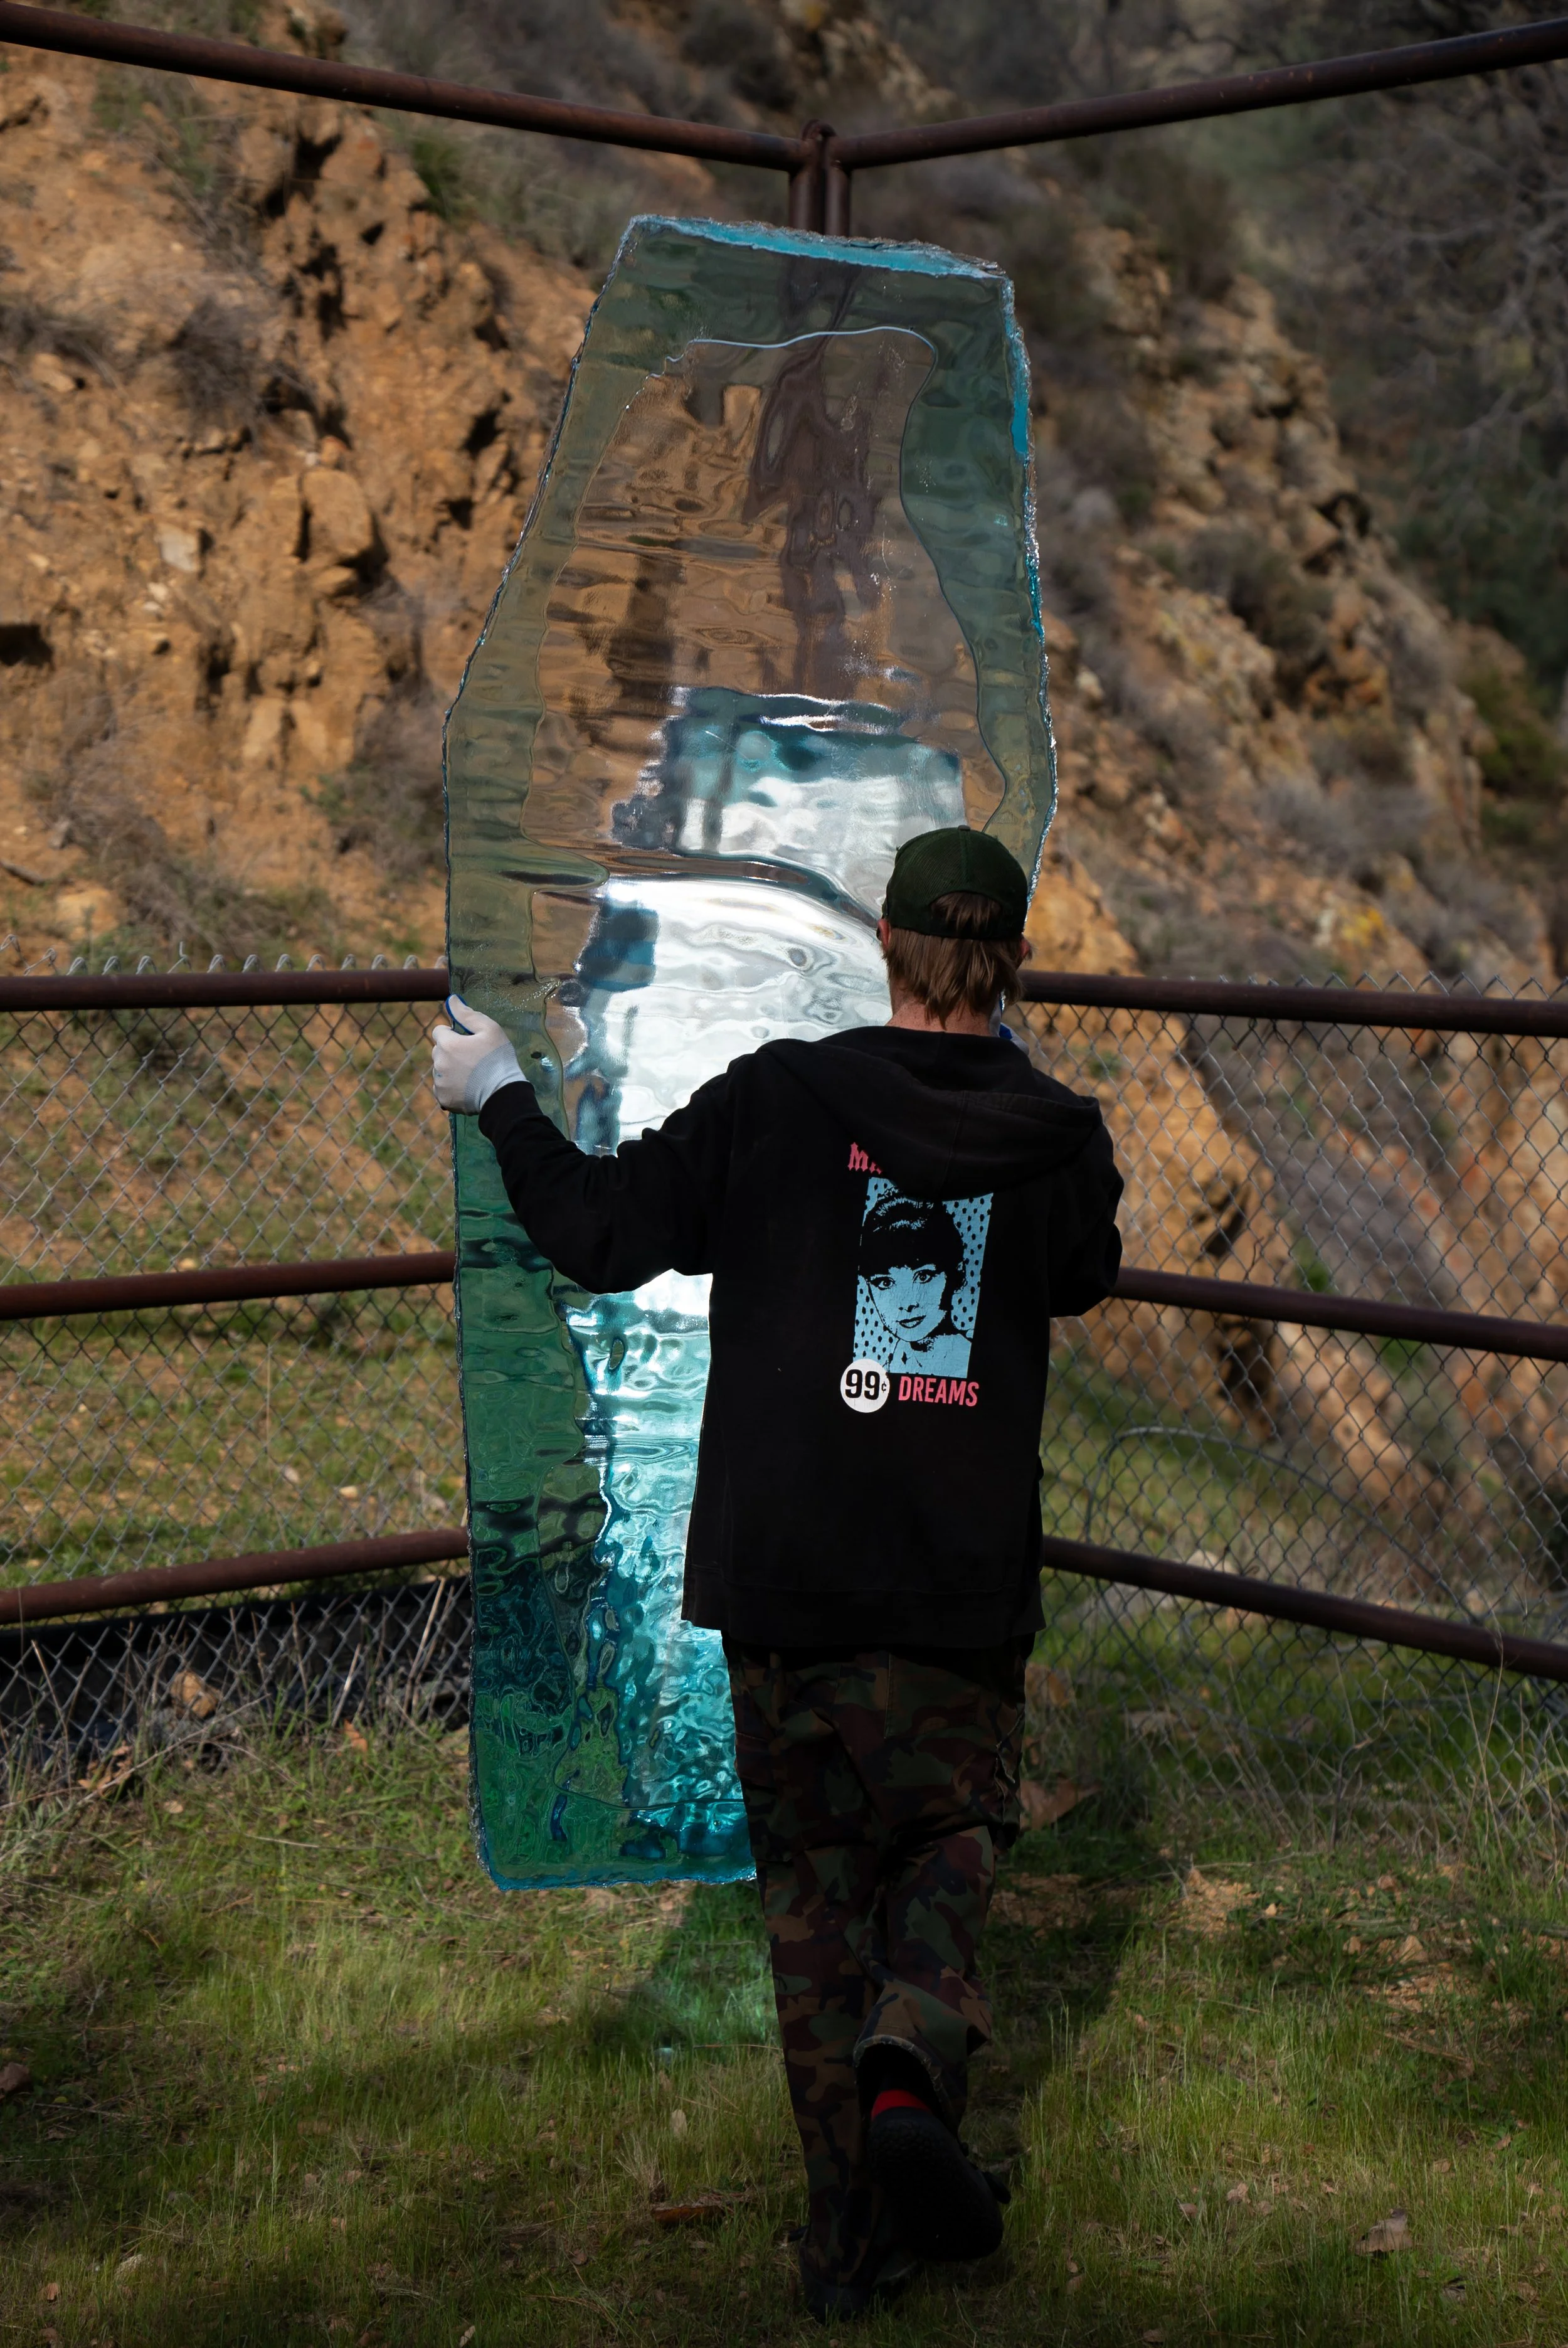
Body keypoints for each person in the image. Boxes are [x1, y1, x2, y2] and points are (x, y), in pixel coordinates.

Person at [432, 825, 1123, 2322]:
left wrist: (497, 1097)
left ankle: (844, 2244)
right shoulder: (1059, 1136)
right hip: (952, 1598)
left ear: (882, 942)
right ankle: (911, 2055)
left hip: (786, 1590)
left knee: (809, 1910)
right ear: (1011, 958)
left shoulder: (778, 1100)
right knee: (949, 1839)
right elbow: (1078, 1269)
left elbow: (600, 1231)